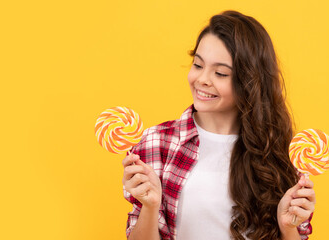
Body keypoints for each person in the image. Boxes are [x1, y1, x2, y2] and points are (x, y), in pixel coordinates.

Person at [121, 10, 315, 240]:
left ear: (249, 82)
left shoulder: (281, 153)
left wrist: (288, 227)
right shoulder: (157, 142)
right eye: (198, 65)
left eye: (220, 73)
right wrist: (150, 206)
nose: (202, 79)